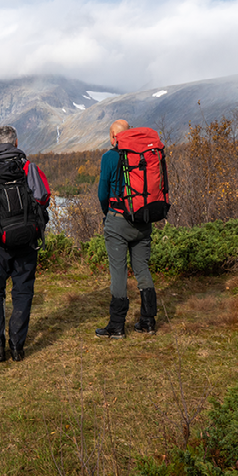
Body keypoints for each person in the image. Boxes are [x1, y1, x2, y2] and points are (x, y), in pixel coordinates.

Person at [0, 125, 51, 362]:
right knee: (23, 290)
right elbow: (43, 196)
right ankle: (17, 346)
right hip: (27, 239)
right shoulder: (29, 167)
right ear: (16, 142)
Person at [96, 119, 157, 339]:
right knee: (142, 269)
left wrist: (108, 212)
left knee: (119, 272)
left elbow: (103, 193)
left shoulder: (109, 157)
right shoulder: (144, 156)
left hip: (118, 221)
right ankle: (148, 322)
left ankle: (117, 326)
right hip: (143, 220)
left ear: (113, 136)